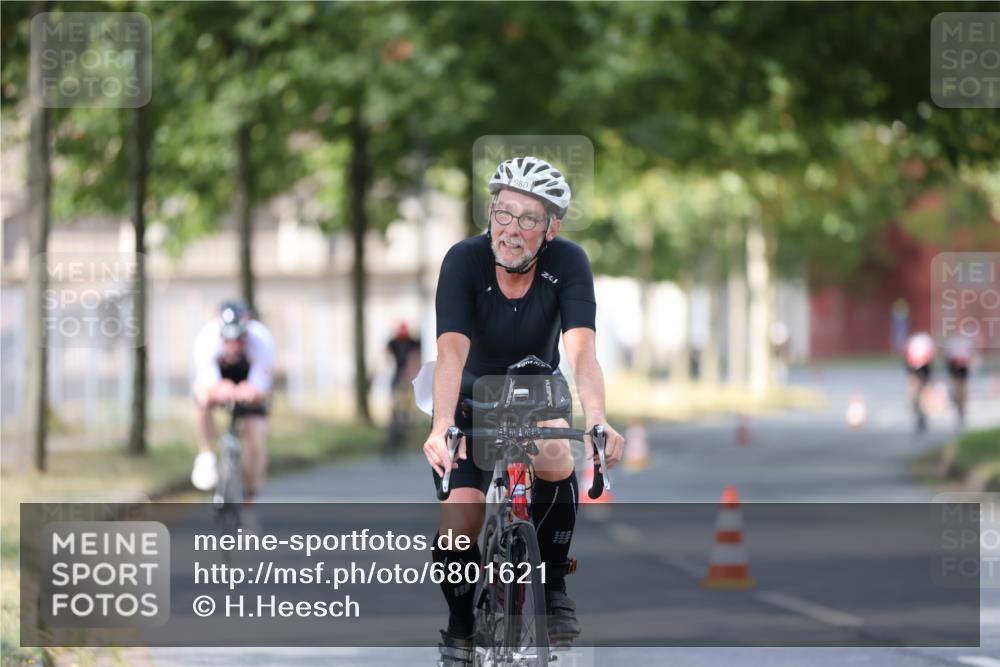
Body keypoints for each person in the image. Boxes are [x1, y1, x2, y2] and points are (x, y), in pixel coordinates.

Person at [423, 156, 625, 665]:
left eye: (528, 219)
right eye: (502, 214)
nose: (511, 230)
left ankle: (553, 589)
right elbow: (450, 350)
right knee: (461, 522)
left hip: (536, 394)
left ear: (551, 228)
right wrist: (442, 423)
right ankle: (461, 628)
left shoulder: (570, 263)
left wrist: (598, 417)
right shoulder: (463, 260)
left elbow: (581, 351)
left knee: (558, 450)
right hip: (468, 400)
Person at [190, 300, 275, 503]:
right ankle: (206, 455)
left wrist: (250, 391)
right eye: (228, 339)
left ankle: (250, 500)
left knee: (254, 436)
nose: (234, 345)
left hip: (249, 379)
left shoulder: (261, 339)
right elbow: (206, 383)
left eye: (239, 339)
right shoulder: (207, 338)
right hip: (221, 378)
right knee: (202, 399)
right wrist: (220, 388)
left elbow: (261, 385)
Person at [384, 322, 422, 458]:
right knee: (396, 410)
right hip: (398, 379)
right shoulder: (393, 343)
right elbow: (385, 356)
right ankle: (396, 434)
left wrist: (411, 375)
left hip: (407, 379)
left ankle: (402, 434)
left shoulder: (413, 343)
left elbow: (415, 359)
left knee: (405, 411)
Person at [903, 331, 935, 433]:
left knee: (917, 389)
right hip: (920, 366)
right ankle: (919, 406)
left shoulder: (915, 341)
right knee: (923, 390)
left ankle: (917, 404)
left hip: (916, 366)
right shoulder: (925, 341)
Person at [944, 334, 974, 429]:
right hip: (959, 365)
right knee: (962, 386)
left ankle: (960, 402)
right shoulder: (964, 343)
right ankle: (961, 402)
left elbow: (947, 356)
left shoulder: (953, 343)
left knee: (959, 385)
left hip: (955, 364)